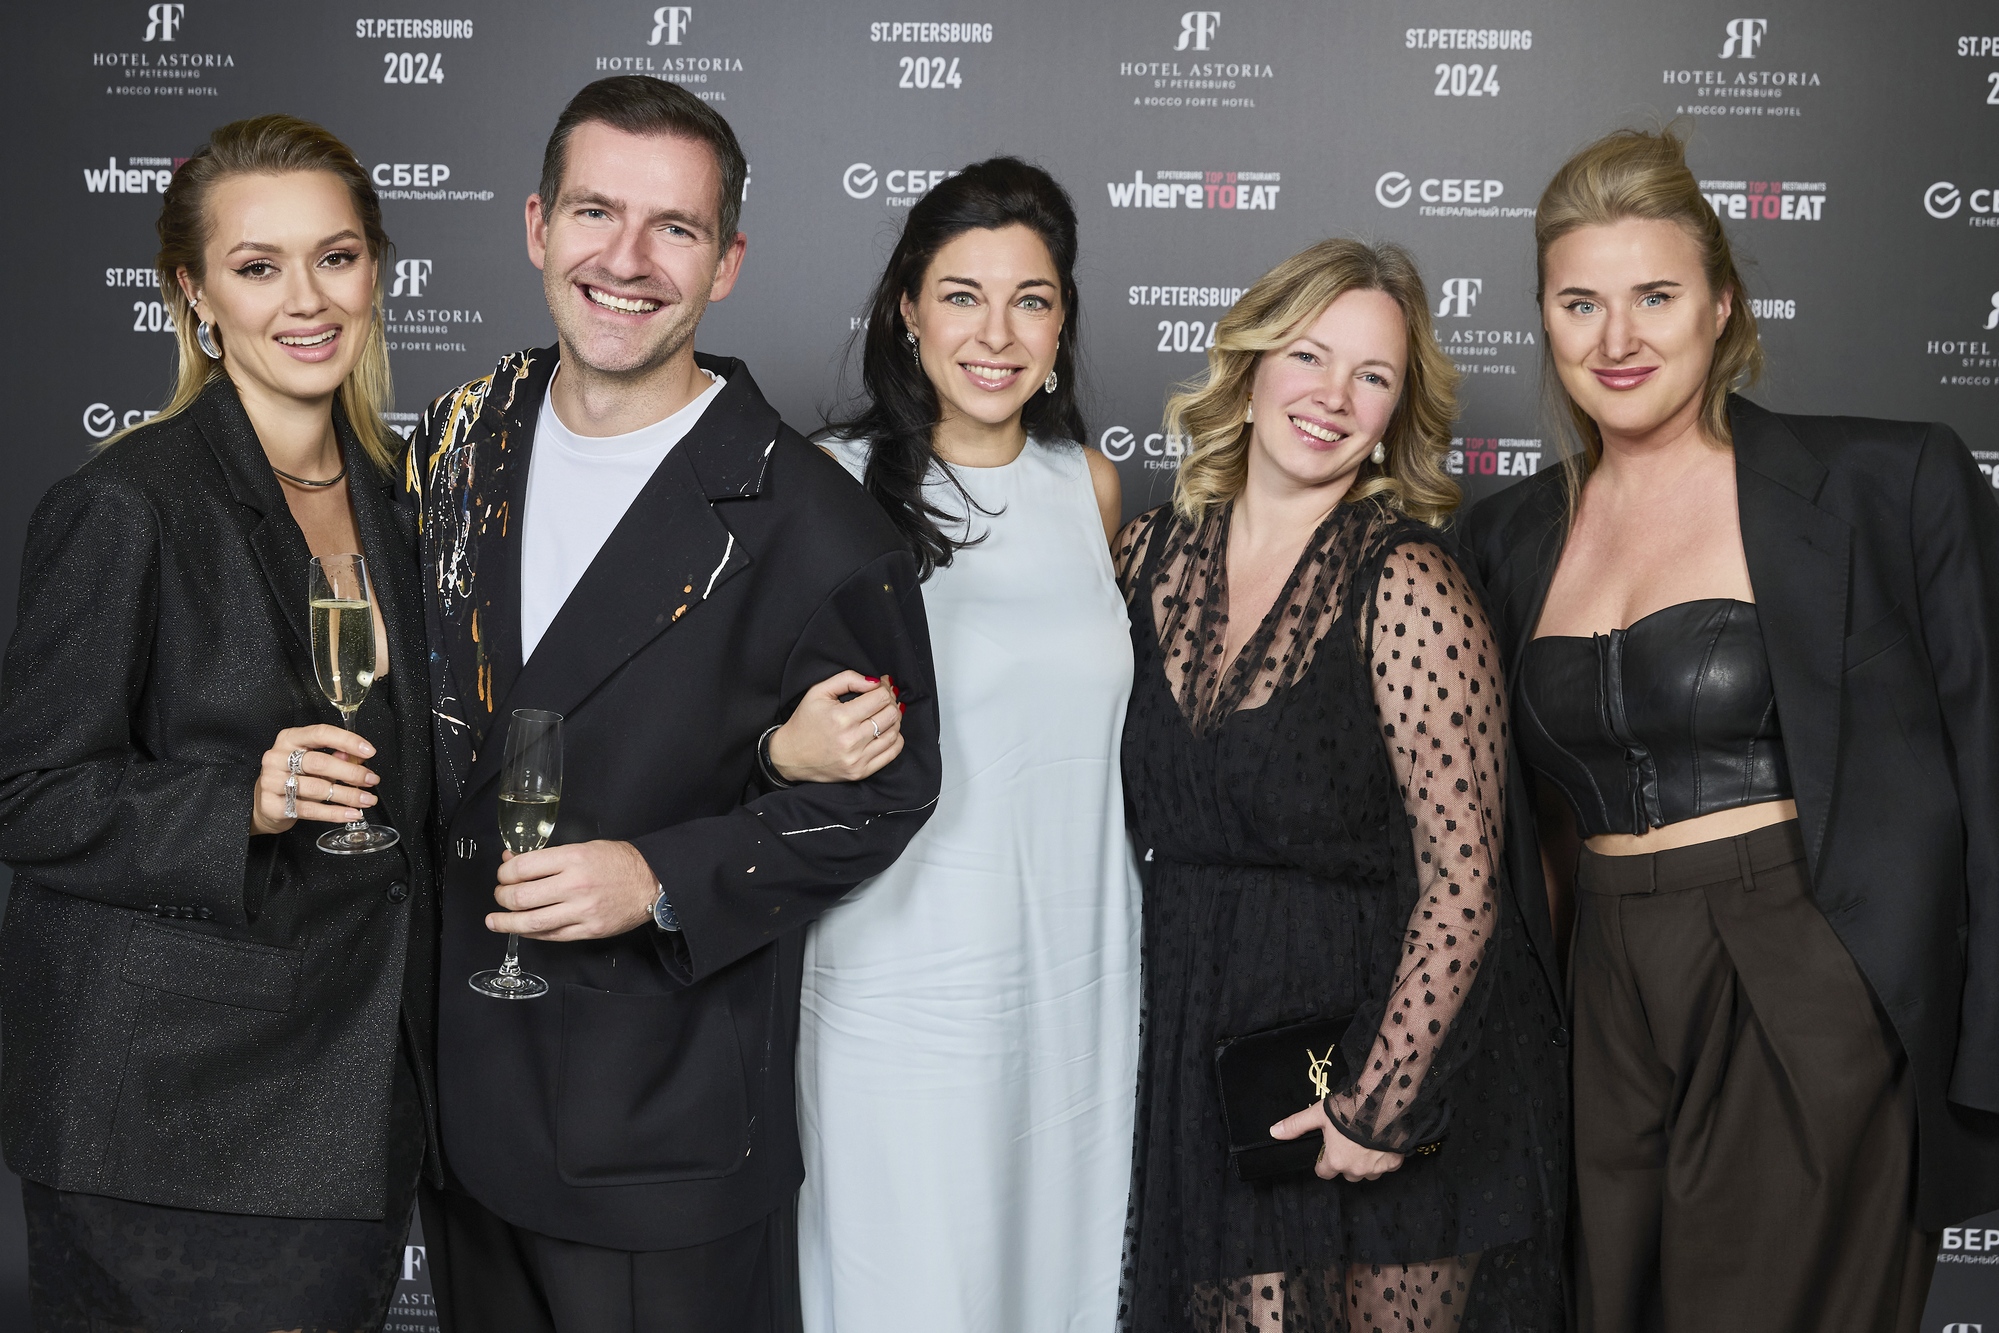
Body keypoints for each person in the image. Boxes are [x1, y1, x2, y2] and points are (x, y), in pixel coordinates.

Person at [404, 76, 941, 1333]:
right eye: (596, 212)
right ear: (537, 225)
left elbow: (886, 797)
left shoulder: (816, 525)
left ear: (727, 262)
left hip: (657, 1135)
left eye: (676, 228)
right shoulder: (460, 441)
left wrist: (658, 875)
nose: (626, 260)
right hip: (456, 1112)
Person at [1461, 127, 1999, 1333]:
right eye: (1579, 304)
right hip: (1598, 997)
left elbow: (1989, 770)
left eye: (1653, 296)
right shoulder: (1503, 540)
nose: (1616, 339)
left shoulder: (1888, 483)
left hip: (1806, 977)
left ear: (1720, 304)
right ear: (1543, 319)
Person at [0, 115, 435, 1330]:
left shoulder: (409, 500)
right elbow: (27, 793)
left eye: (335, 257)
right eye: (257, 266)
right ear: (194, 293)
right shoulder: (127, 505)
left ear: (376, 272)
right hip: (167, 1114)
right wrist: (239, 798)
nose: (306, 299)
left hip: (352, 1094)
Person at [1115, 239, 1568, 1333]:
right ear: (1250, 367)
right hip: (1207, 1060)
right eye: (1309, 356)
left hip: (1378, 1054)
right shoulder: (1140, 558)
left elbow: (1466, 879)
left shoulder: (1407, 582)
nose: (1332, 396)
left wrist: (1379, 1099)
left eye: (1371, 375)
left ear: (1394, 413)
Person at [791, 158, 1142, 1331]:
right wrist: (787, 746)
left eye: (1030, 300)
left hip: (1079, 976)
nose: (996, 334)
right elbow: (738, 728)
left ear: (1062, 321)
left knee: (1058, 1283)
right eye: (960, 295)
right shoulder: (828, 484)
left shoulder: (1089, 487)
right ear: (906, 309)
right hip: (901, 981)